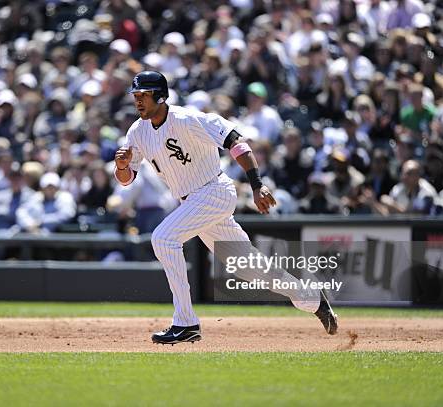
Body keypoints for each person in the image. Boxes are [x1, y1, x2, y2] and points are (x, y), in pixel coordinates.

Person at [114, 71, 337, 345]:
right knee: (248, 268)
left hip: (214, 191)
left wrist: (256, 184)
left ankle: (185, 322)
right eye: (136, 96)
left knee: (163, 238)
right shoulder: (137, 131)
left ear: (160, 96)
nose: (138, 101)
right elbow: (127, 180)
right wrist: (122, 167)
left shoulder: (186, 119)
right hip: (193, 203)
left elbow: (236, 141)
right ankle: (312, 300)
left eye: (143, 95)